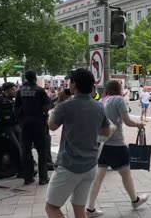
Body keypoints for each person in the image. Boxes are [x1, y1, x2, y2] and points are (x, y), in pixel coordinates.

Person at [46, 69, 111, 218]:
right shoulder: (98, 106)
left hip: (69, 166)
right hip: (90, 165)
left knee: (52, 207)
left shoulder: (66, 106)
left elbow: (52, 125)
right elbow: (106, 132)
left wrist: (60, 101)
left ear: (74, 84)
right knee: (79, 207)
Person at [86, 80, 148, 217]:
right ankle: (135, 200)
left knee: (99, 176)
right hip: (117, 144)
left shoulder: (101, 100)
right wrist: (139, 124)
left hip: (102, 143)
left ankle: (90, 208)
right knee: (126, 174)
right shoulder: (119, 100)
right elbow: (127, 121)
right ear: (118, 89)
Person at [15, 70, 51, 185]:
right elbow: (46, 107)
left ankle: (28, 177)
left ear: (26, 78)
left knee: (26, 151)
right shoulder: (40, 91)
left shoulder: (20, 91)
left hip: (25, 125)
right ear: (35, 78)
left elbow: (15, 109)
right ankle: (43, 178)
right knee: (42, 151)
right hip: (39, 124)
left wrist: (21, 120)